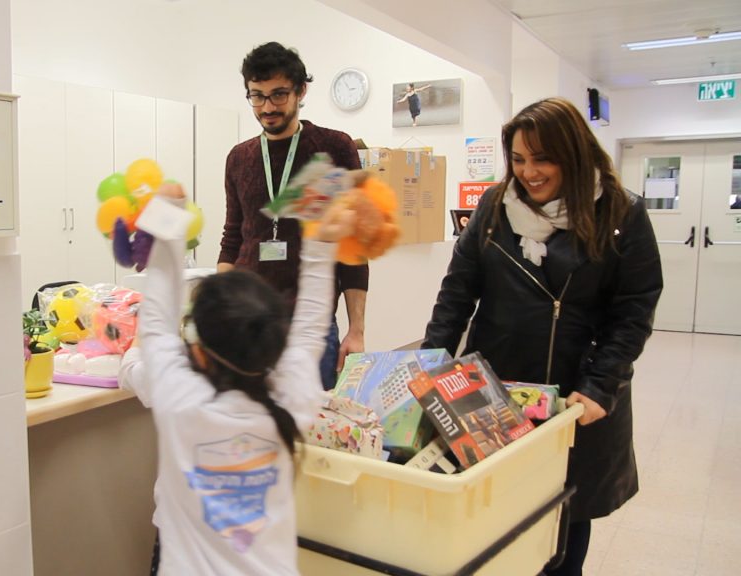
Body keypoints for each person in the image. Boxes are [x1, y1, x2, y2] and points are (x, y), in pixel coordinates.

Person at [421, 97, 662, 576]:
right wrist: (428, 365)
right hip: (497, 389)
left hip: (576, 396)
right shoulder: (495, 206)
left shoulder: (621, 212)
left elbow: (634, 310)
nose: (528, 173)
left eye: (542, 158)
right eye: (518, 159)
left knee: (565, 518)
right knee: (496, 515)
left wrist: (600, 386)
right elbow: (457, 293)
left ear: (574, 154)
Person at [120, 183, 354, 575]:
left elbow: (156, 323)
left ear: (198, 350)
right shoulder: (288, 402)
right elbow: (311, 330)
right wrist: (320, 241)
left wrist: (169, 213)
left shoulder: (181, 399)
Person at [219, 41, 368, 391]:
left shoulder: (332, 148)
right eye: (257, 96)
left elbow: (352, 244)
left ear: (301, 91)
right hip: (248, 323)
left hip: (311, 324)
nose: (267, 107)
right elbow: (232, 238)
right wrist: (215, 309)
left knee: (311, 419)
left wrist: (357, 329)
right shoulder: (239, 158)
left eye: (279, 94)